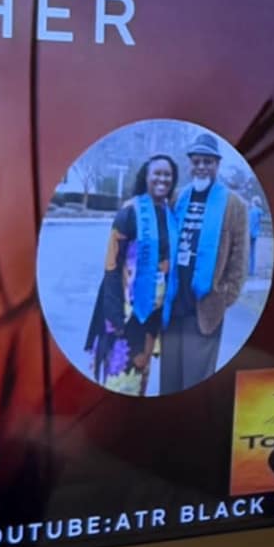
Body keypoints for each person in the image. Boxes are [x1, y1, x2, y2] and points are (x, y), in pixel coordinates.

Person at [90, 154, 181, 395]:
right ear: (146, 177)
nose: (162, 179)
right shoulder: (130, 212)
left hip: (153, 314)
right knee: (120, 378)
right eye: (157, 174)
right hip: (127, 312)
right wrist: (114, 313)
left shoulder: (169, 214)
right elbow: (111, 265)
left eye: (167, 175)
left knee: (141, 374)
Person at [170, 140, 256, 384]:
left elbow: (240, 257)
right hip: (175, 303)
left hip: (207, 304)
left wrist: (225, 295)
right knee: (171, 378)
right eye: (196, 161)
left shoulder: (233, 205)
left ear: (217, 164)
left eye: (207, 162)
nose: (201, 167)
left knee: (197, 378)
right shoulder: (178, 198)